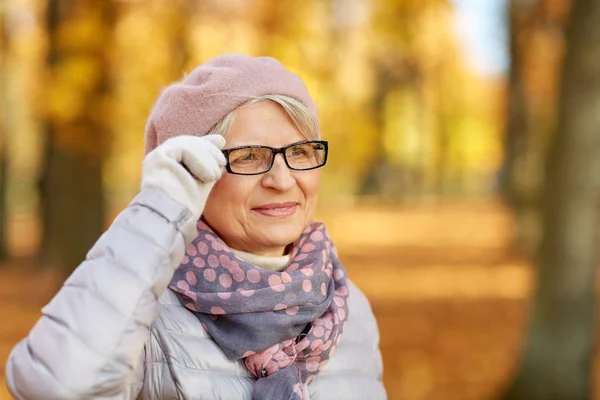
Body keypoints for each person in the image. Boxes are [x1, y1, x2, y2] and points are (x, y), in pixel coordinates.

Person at [5, 54, 386, 400]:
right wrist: (158, 211)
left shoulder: (346, 306)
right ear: (194, 172)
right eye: (250, 156)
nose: (283, 181)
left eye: (299, 152)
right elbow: (51, 386)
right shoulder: (140, 309)